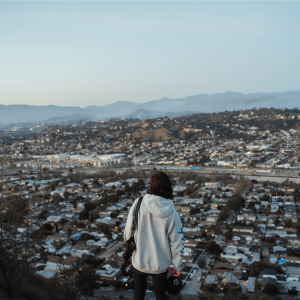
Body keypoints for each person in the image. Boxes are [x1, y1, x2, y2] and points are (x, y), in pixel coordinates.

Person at [124, 172, 184, 300]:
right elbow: (177, 242)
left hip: (140, 259)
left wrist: (129, 247)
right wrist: (176, 266)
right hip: (160, 264)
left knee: (139, 292)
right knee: (160, 295)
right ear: (168, 186)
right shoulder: (172, 213)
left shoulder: (139, 203)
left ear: (152, 186)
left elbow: (129, 230)